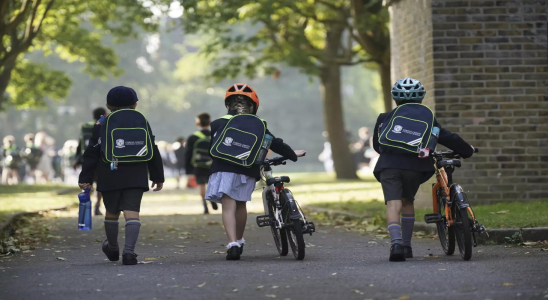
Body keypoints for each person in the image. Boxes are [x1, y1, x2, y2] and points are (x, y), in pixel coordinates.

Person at [372, 78, 474, 262]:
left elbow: (377, 146)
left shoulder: (384, 118)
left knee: (393, 205)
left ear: (395, 98)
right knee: (407, 201)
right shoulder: (427, 117)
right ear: (421, 98)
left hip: (388, 165)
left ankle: (395, 245)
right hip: (415, 166)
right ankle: (406, 246)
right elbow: (446, 136)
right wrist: (467, 150)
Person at [205, 83, 305, 260]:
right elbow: (275, 143)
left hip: (224, 168)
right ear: (253, 106)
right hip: (247, 170)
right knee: (241, 204)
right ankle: (240, 239)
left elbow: (212, 149)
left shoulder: (217, 123)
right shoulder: (258, 124)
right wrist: (292, 154)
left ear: (228, 106)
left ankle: (233, 244)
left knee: (228, 207)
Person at [78, 86, 164, 265]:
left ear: (108, 105)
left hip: (110, 173)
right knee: (132, 213)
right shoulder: (141, 120)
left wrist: (85, 177)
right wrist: (158, 175)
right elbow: (152, 147)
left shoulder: (102, 123)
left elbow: (92, 151)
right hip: (137, 173)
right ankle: (129, 253)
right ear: (135, 104)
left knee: (111, 212)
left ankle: (113, 247)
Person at [75, 107, 107, 215]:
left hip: (87, 159)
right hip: (102, 160)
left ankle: (85, 207)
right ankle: (97, 207)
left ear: (93, 116)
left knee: (86, 184)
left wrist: (77, 159)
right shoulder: (106, 126)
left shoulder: (86, 127)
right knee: (100, 186)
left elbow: (80, 144)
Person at [184, 113, 218, 214]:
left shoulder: (193, 137)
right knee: (212, 183)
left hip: (198, 166)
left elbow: (188, 154)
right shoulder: (214, 135)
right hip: (212, 165)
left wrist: (188, 170)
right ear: (209, 123)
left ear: (197, 123)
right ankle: (212, 198)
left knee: (201, 184)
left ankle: (205, 206)